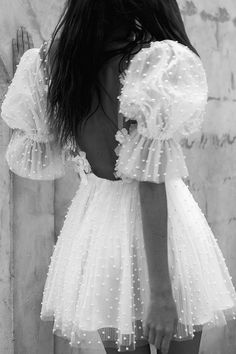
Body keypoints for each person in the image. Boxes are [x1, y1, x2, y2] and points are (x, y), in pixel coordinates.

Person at [1, 1, 236, 354]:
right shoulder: (149, 62)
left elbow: (36, 150)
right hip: (167, 241)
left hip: (101, 238)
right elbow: (149, 180)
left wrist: (23, 85)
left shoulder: (50, 65)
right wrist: (161, 294)